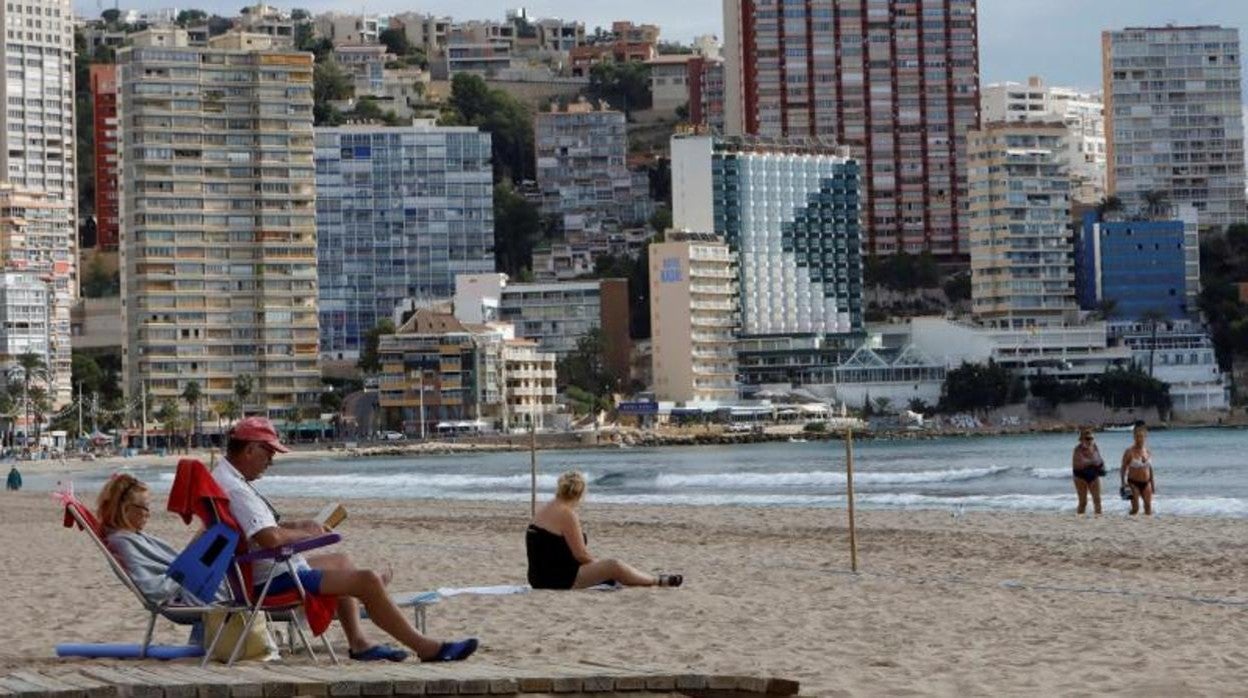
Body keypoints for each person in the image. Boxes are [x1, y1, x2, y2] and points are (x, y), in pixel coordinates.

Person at [213, 417, 477, 662]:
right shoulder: (237, 489)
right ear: (249, 450)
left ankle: (359, 642)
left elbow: (257, 529)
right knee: (368, 580)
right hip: (273, 580)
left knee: (342, 561)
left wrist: (297, 525)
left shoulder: (224, 478)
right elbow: (271, 538)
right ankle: (427, 647)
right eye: (268, 453)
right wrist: (308, 535)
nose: (270, 461)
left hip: (263, 570)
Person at [526, 470, 683, 590]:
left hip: (537, 578)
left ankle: (645, 579)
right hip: (558, 579)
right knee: (613, 566)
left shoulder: (545, 509)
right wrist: (599, 566)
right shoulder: (567, 514)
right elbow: (580, 555)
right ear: (580, 494)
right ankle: (656, 581)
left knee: (609, 569)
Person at [96, 473, 233, 605]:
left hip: (190, 584)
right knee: (227, 535)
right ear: (125, 509)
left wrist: (199, 545)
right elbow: (155, 589)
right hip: (189, 593)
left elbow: (178, 565)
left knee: (223, 533)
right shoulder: (122, 542)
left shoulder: (131, 536)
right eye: (146, 507)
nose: (148, 515)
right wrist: (194, 566)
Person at [1119, 421, 1156, 516]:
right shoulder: (1129, 451)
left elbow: (1150, 468)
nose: (1139, 439)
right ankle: (1129, 520)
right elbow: (1123, 468)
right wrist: (1123, 483)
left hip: (1146, 482)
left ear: (1145, 437)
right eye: (1137, 436)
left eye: (1141, 436)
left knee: (1148, 507)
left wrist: (1152, 483)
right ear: (1134, 437)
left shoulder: (1147, 451)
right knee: (1136, 508)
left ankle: (1147, 527)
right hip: (1133, 482)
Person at [1071, 428, 1104, 516]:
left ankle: (1099, 519)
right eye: (1087, 438)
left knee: (1097, 500)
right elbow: (1079, 464)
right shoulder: (1077, 450)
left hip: (1093, 474)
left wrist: (1101, 466)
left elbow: (1099, 460)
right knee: (1083, 502)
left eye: (1092, 438)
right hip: (1080, 476)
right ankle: (1080, 519)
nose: (1090, 440)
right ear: (1081, 439)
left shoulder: (1095, 447)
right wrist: (1092, 462)